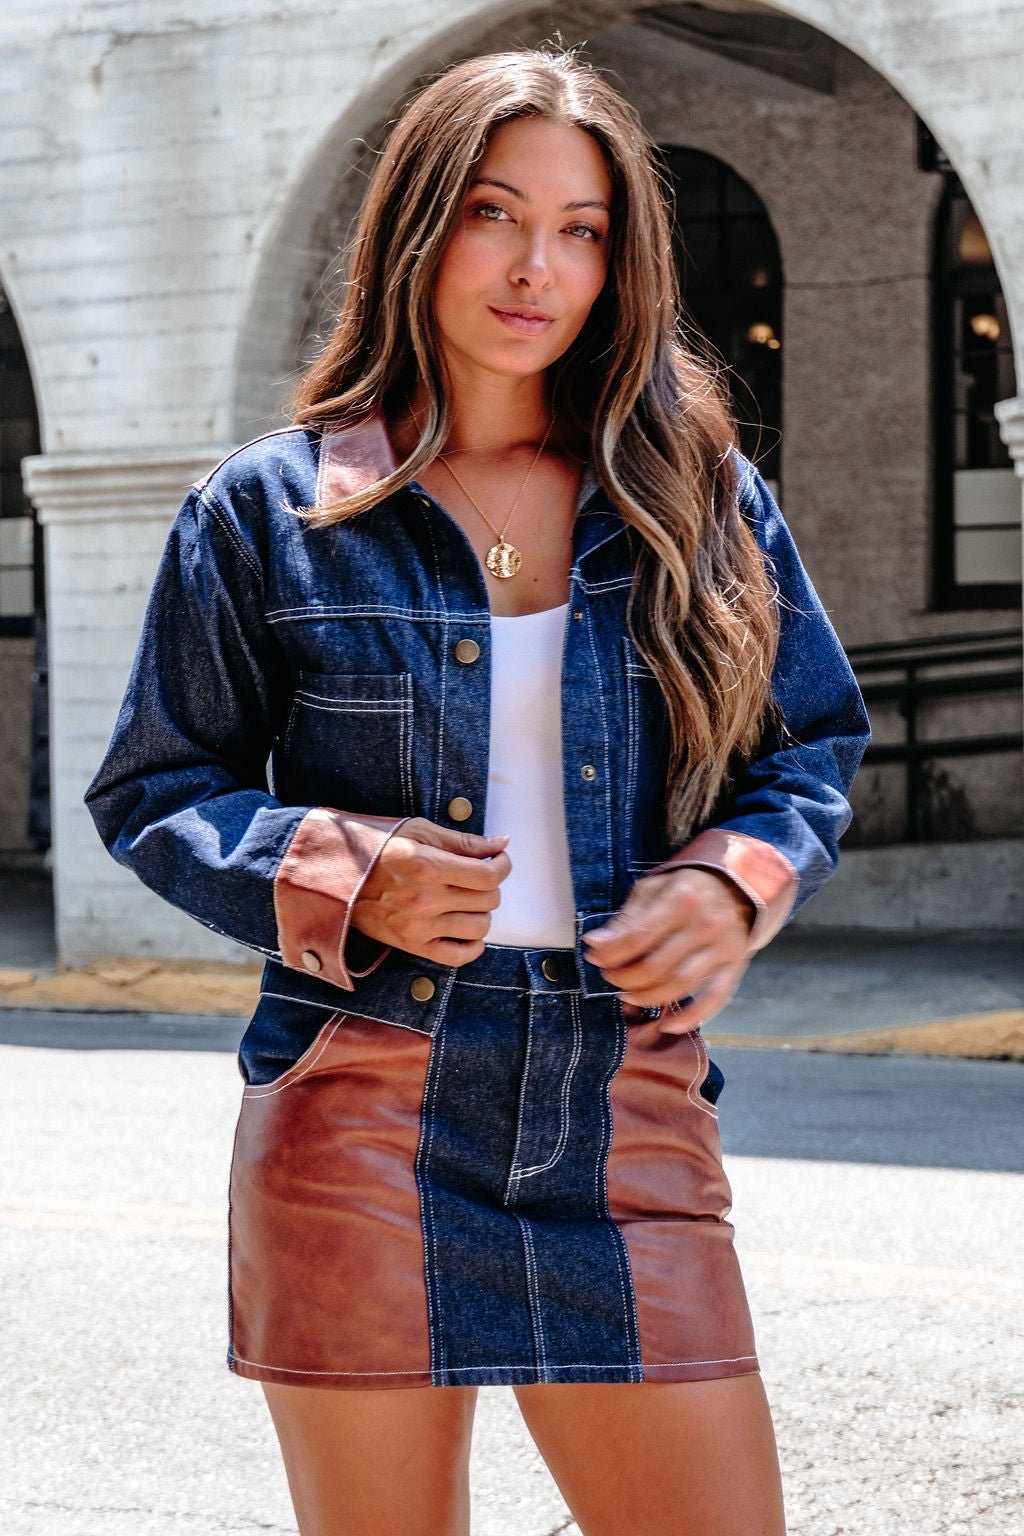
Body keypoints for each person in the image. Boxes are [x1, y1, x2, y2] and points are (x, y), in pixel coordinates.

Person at [86, 45, 869, 1536]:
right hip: (359, 1099)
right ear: (418, 227)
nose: (539, 266)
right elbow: (154, 786)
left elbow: (809, 745)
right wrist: (342, 866)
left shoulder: (695, 496)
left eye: (582, 229)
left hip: (625, 1100)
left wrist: (731, 878)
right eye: (496, 214)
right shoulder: (274, 511)